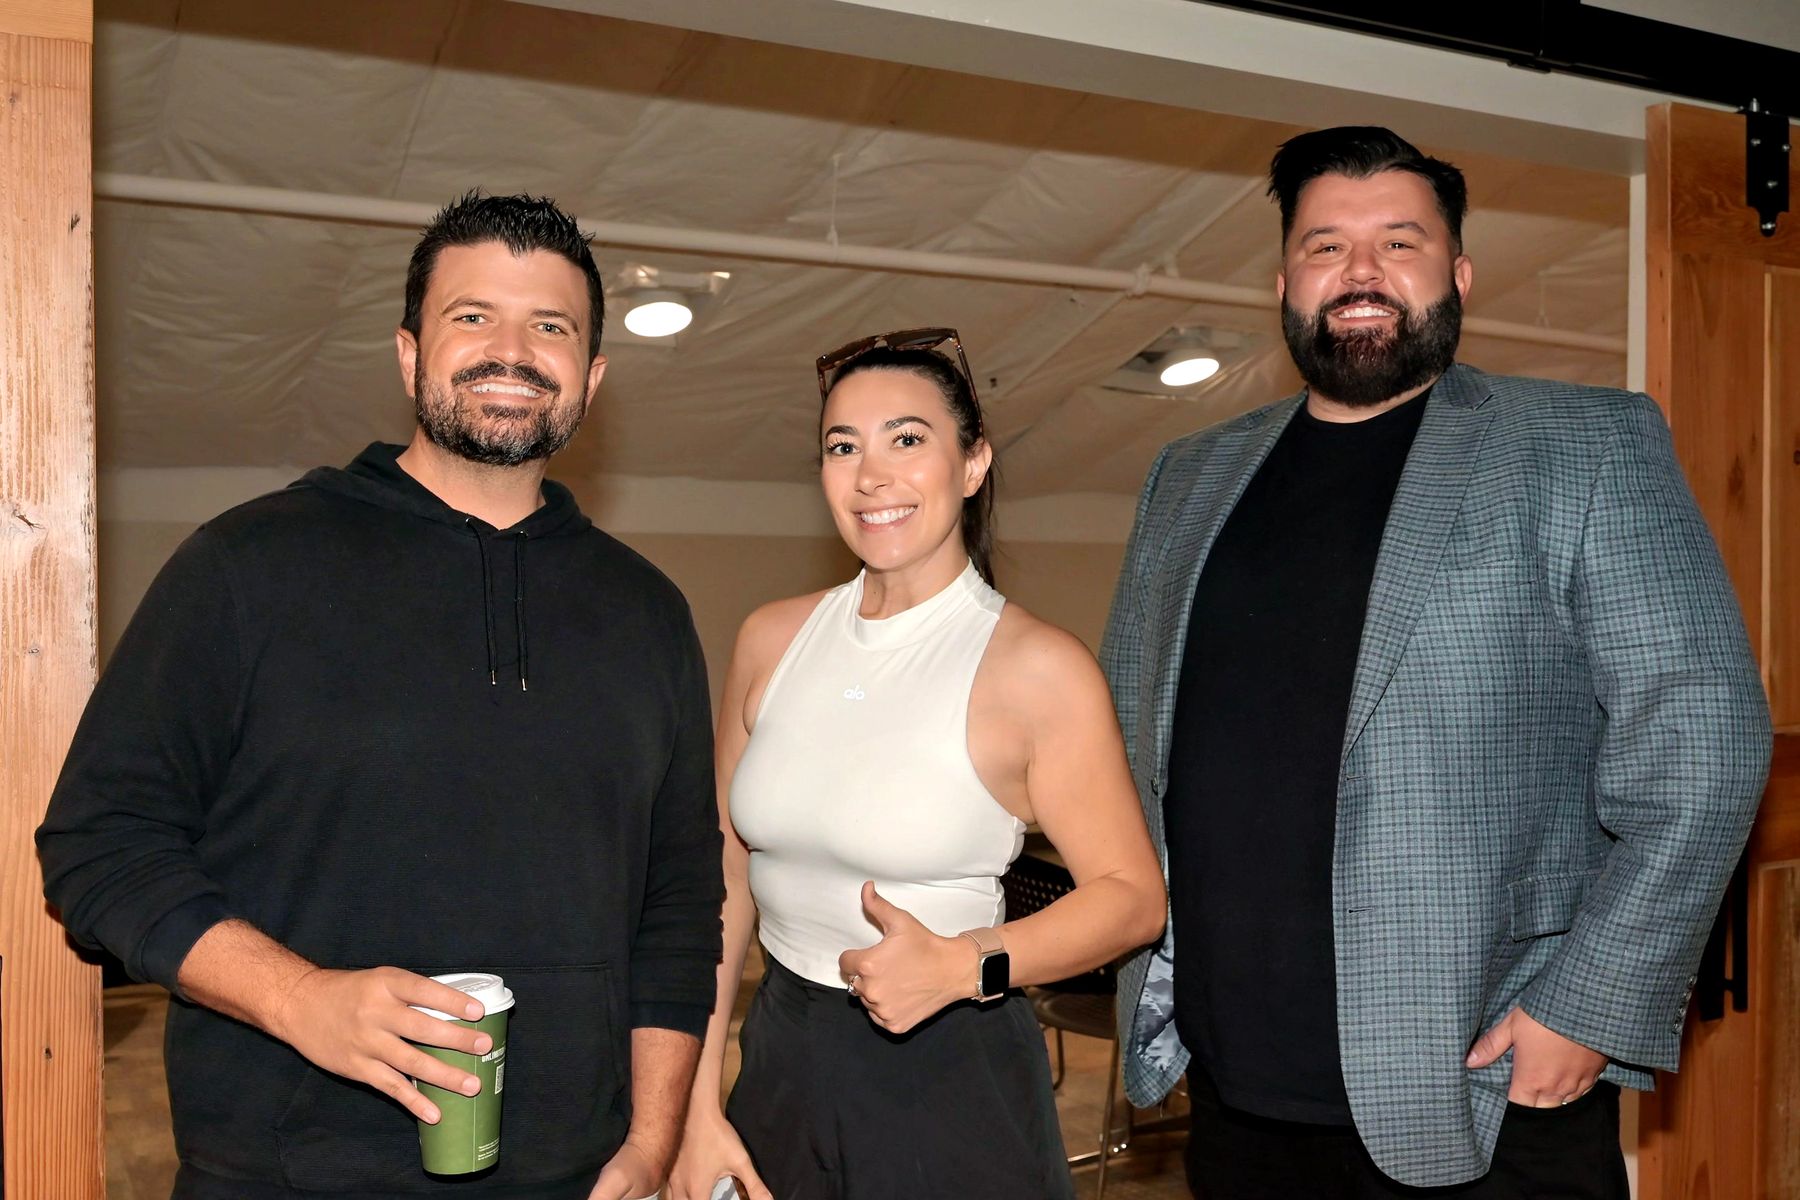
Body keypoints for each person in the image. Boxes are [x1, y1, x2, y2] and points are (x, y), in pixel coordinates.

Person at [1102, 126, 1772, 1197]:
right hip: (1232, 1098)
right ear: (1283, 283)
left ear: (1457, 275)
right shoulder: (1187, 476)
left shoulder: (1583, 446)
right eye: (1326, 246)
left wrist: (1587, 1005)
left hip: (1484, 1094)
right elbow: (1126, 743)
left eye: (1399, 243)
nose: (1360, 271)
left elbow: (1706, 744)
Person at [37, 192, 724, 1200]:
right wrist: (300, 999)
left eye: (551, 327)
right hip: (282, 1177)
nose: (512, 350)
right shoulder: (248, 564)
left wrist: (652, 1142)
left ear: (592, 376)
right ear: (409, 355)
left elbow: (679, 906)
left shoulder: (650, 614)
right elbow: (99, 846)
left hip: (574, 1178)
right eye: (472, 316)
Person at [666, 329, 1166, 1200]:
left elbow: (1132, 899)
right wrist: (695, 1101)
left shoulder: (1037, 668)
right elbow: (724, 878)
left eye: (906, 439)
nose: (871, 475)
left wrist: (969, 964)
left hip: (949, 1072)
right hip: (782, 1052)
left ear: (972, 464)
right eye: (843, 447)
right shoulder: (769, 639)